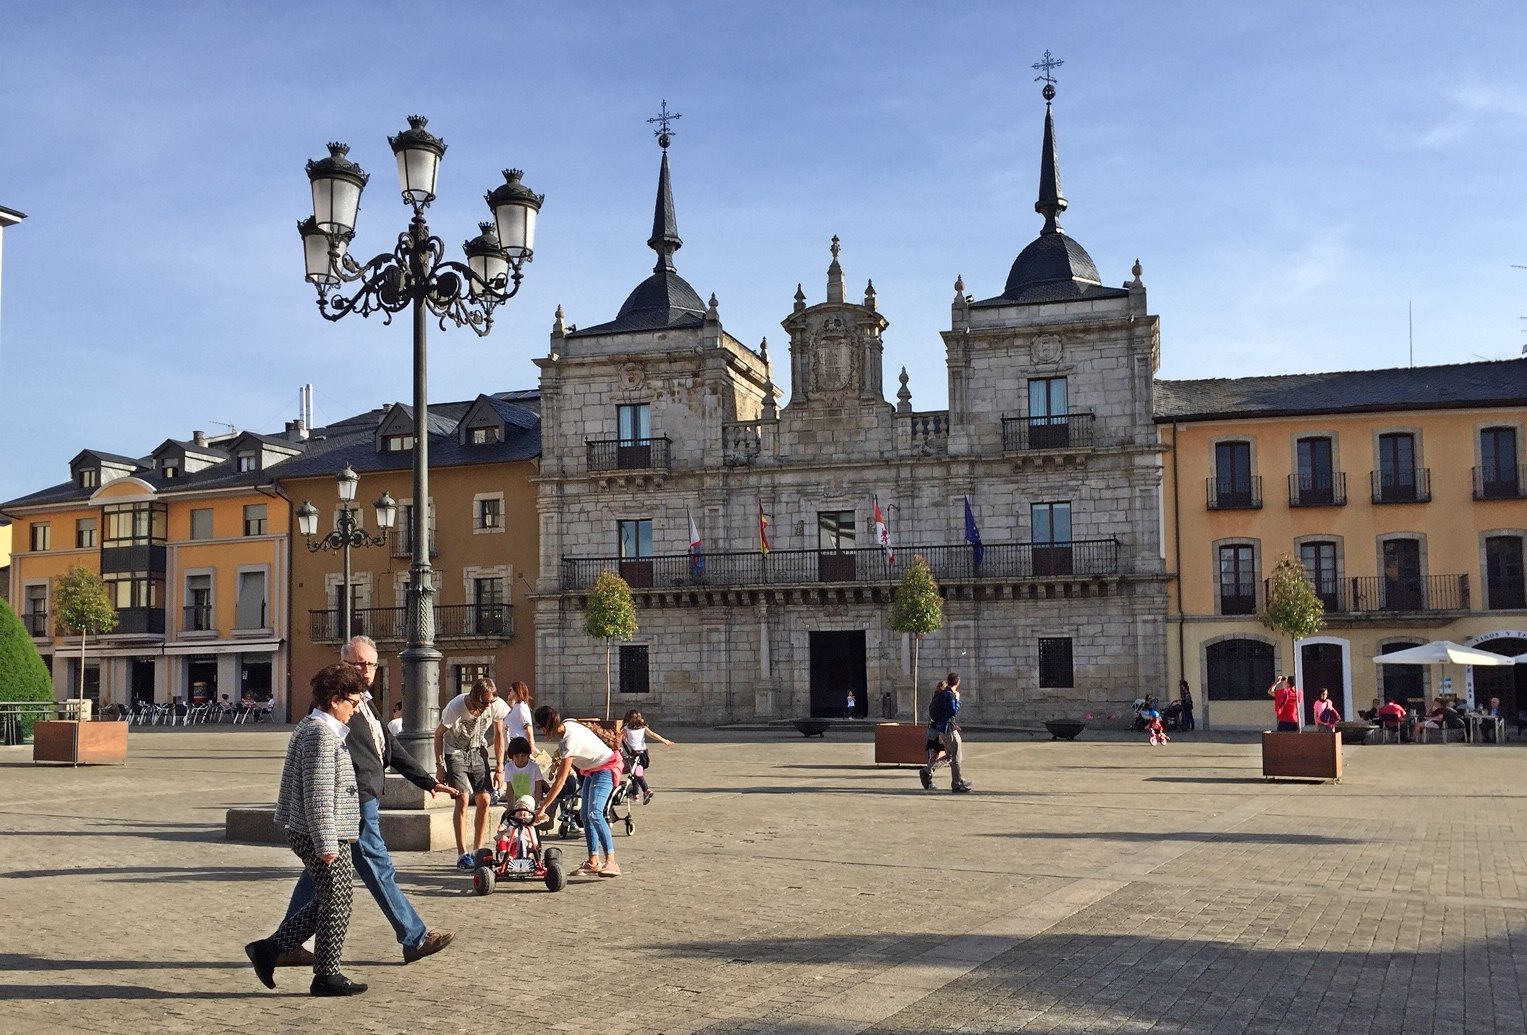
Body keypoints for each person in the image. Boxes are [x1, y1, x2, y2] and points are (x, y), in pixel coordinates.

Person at [277, 636, 456, 970]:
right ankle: (414, 937)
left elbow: (390, 748)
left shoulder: (365, 703)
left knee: (318, 875)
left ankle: (285, 943)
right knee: (377, 867)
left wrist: (428, 781)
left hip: (366, 798)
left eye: (371, 663)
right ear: (343, 664)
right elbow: (321, 763)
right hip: (352, 800)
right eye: (358, 663)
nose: (366, 669)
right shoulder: (334, 707)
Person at [245, 664, 368, 996]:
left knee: (334, 899)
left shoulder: (314, 727)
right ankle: (325, 975)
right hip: (320, 832)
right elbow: (317, 793)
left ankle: (270, 950)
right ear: (334, 699)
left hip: (316, 829)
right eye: (352, 703)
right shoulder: (318, 733)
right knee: (337, 900)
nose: (355, 711)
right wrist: (326, 842)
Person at [532, 706, 624, 877]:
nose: (540, 731)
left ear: (546, 726)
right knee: (584, 814)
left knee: (595, 813)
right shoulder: (568, 723)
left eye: (539, 727)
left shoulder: (568, 741)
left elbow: (560, 781)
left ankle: (611, 861)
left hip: (606, 769)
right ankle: (593, 861)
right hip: (592, 771)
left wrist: (543, 807)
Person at [435, 676, 510, 870]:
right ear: (474, 697)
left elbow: (499, 735)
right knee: (462, 798)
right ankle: (462, 854)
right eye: (484, 702)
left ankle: (477, 850)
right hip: (455, 752)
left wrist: (500, 768)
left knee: (484, 799)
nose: (487, 706)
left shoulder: (495, 705)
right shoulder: (456, 707)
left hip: (478, 750)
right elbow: (438, 734)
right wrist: (440, 766)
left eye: (490, 701)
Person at [919, 672, 971, 793]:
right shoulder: (949, 694)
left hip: (942, 728)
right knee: (956, 757)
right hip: (948, 730)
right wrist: (957, 699)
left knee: (949, 756)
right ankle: (956, 783)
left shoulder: (940, 694)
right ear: (957, 682)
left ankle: (930, 771)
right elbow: (953, 711)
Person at [621, 709, 674, 805]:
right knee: (636, 773)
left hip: (633, 754)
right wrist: (664, 741)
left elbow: (621, 740)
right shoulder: (643, 727)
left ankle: (646, 790)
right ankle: (635, 794)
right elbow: (653, 735)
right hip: (643, 753)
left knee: (636, 773)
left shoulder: (626, 728)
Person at [503, 736, 548, 805]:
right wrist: (510, 806)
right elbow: (509, 789)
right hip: (517, 803)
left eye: (523, 755)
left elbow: (538, 789)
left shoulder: (534, 767)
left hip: (532, 802)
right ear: (512, 756)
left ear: (528, 754)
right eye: (517, 756)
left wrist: (534, 805)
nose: (520, 759)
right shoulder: (509, 768)